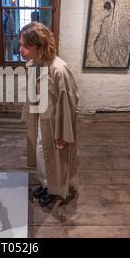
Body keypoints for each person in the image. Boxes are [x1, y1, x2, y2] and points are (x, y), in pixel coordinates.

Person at [20, 21, 79, 207]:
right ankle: (47, 184)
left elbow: (68, 103)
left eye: (25, 46)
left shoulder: (59, 69)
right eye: (20, 44)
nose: (21, 49)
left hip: (56, 124)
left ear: (40, 47)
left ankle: (59, 190)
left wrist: (63, 134)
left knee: (57, 157)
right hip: (41, 120)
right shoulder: (36, 64)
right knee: (42, 154)